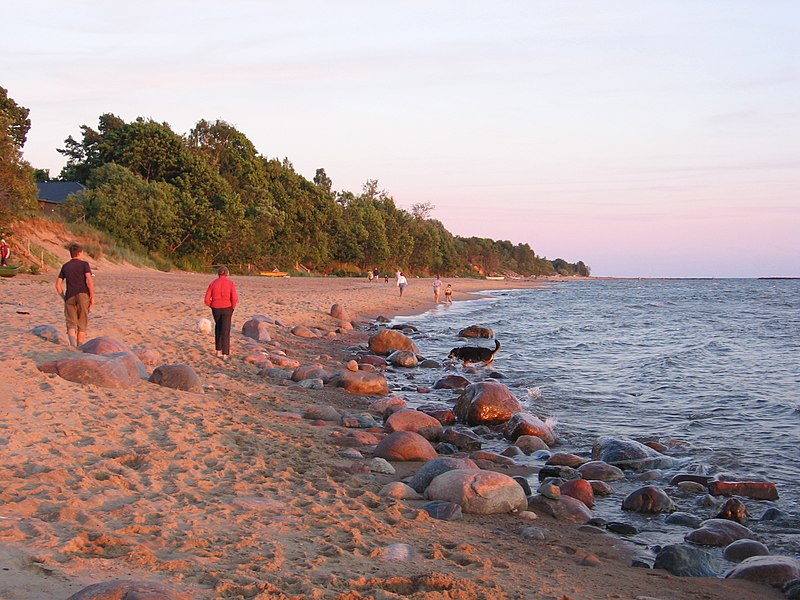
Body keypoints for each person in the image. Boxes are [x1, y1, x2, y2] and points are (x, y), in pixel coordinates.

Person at [56, 243, 95, 347]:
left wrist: (64, 297)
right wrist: (92, 296)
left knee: (71, 323)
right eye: (82, 253)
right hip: (83, 294)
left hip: (70, 296)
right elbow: (89, 280)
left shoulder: (65, 266)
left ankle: (73, 346)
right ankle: (80, 345)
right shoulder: (84, 264)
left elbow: (58, 285)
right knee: (82, 322)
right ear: (79, 253)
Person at [204, 265, 239, 360]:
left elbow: (206, 299)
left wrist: (212, 305)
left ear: (218, 273)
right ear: (227, 273)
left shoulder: (213, 283)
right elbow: (235, 298)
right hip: (227, 307)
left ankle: (218, 350)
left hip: (216, 308)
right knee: (226, 330)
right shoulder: (230, 283)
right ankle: (225, 353)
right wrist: (232, 307)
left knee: (218, 327)